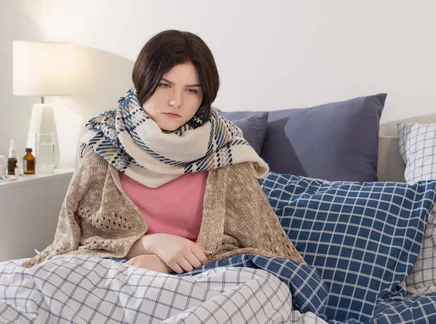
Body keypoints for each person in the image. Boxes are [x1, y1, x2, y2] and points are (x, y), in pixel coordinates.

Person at [22, 30, 304, 273]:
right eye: (164, 85)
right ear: (143, 81)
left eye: (192, 90)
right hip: (116, 275)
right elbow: (78, 238)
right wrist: (148, 245)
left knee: (261, 288)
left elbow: (257, 247)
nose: (176, 101)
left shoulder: (226, 150)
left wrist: (169, 264)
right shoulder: (104, 142)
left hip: (211, 279)